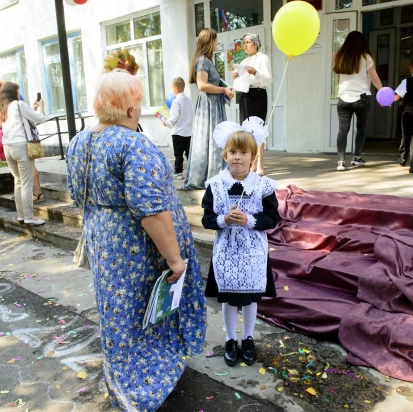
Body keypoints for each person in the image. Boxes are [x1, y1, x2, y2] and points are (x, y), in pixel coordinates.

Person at [66, 70, 206, 411]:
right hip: (137, 247)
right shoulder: (132, 143)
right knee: (147, 308)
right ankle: (145, 381)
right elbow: (151, 211)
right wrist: (175, 260)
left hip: (103, 240)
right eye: (138, 101)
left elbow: (76, 195)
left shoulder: (78, 142)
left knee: (119, 310)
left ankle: (123, 374)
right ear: (130, 109)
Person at [201, 117, 280, 367]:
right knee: (228, 297)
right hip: (226, 252)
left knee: (249, 297)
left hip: (253, 252)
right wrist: (224, 219)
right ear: (225, 155)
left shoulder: (263, 186)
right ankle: (230, 338)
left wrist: (248, 219)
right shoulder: (215, 185)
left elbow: (272, 217)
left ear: (253, 156)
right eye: (233, 152)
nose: (237, 157)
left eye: (243, 152)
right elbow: (206, 217)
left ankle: (247, 338)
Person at [183, 28, 234, 190]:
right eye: (216, 40)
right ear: (209, 41)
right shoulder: (203, 61)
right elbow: (202, 85)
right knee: (212, 139)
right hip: (209, 106)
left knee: (213, 139)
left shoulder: (206, 61)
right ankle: (212, 176)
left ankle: (214, 175)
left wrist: (224, 87)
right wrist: (223, 90)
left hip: (213, 104)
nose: (217, 43)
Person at [0, 79, 44, 202]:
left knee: (22, 179)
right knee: (23, 179)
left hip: (14, 143)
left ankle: (34, 197)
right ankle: (28, 211)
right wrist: (0, 125)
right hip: (17, 143)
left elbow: (22, 116)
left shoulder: (12, 102)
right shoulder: (8, 102)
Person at [333, 31, 383, 171]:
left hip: (343, 98)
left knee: (343, 130)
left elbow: (338, 79)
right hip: (362, 98)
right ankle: (356, 157)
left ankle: (341, 161)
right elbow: (374, 78)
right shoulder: (366, 57)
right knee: (361, 128)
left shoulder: (340, 57)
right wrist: (383, 92)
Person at [0, 82, 46, 225]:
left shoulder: (3, 108)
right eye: (18, 90)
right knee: (26, 183)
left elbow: (21, 121)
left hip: (8, 147)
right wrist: (41, 107)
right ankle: (29, 217)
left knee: (18, 181)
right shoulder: (19, 104)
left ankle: (21, 215)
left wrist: (32, 108)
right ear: (14, 92)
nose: (19, 93)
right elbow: (40, 118)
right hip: (21, 147)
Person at [231, 33, 272, 175]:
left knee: (258, 130)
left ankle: (260, 163)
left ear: (256, 44)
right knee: (247, 131)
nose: (246, 45)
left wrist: (256, 73)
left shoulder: (263, 58)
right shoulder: (242, 62)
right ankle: (251, 163)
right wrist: (235, 77)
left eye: (249, 42)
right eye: (244, 43)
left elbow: (268, 79)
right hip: (245, 96)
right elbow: (239, 84)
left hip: (258, 94)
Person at [163, 77, 194, 180]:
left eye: (172, 88)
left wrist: (166, 122)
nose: (172, 91)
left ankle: (178, 172)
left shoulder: (176, 101)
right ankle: (192, 172)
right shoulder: (189, 101)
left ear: (175, 88)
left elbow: (175, 117)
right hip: (188, 132)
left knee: (178, 154)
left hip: (178, 132)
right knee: (189, 153)